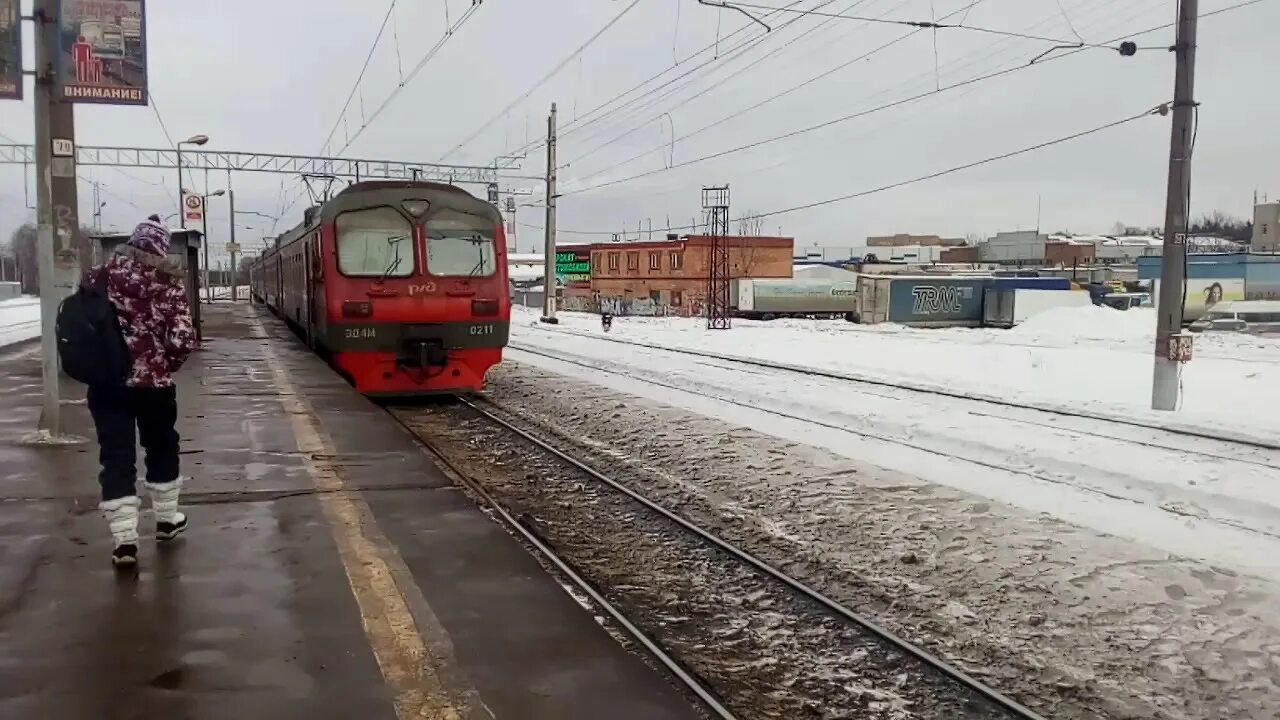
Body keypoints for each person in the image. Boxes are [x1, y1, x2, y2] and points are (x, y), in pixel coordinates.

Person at [87, 216, 198, 567]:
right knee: (162, 446)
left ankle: (124, 541)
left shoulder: (97, 278)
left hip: (107, 384)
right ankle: (166, 520)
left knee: (116, 455)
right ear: (161, 248)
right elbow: (181, 339)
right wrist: (164, 366)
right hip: (154, 386)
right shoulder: (167, 284)